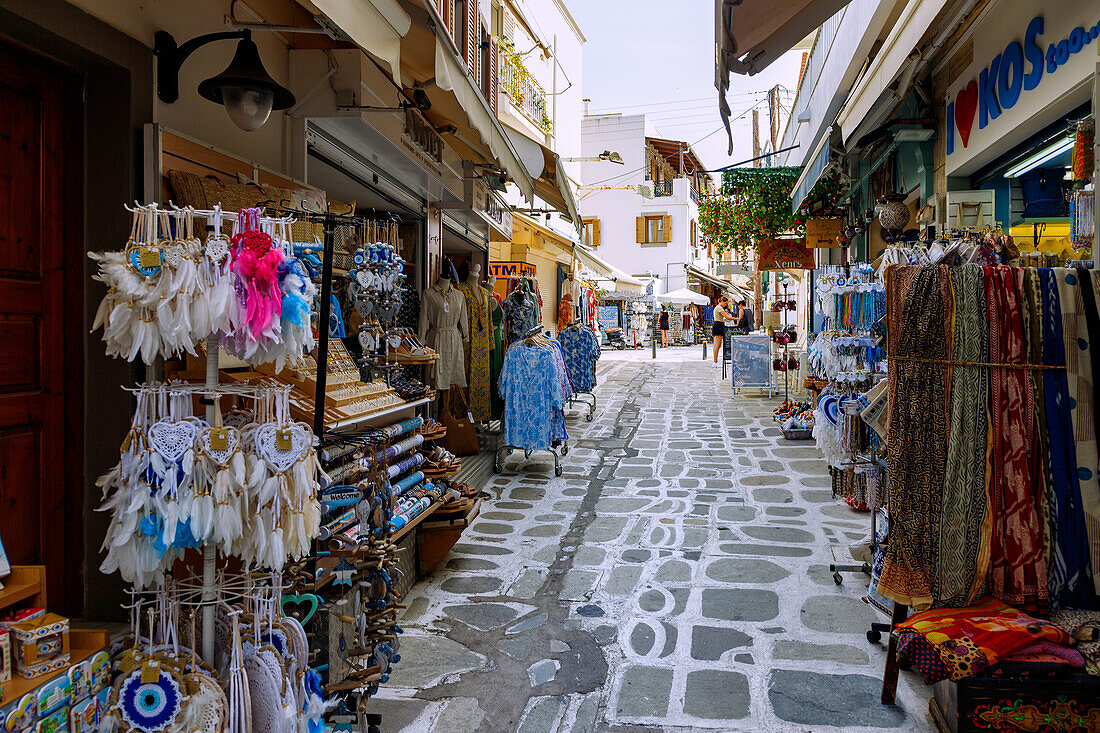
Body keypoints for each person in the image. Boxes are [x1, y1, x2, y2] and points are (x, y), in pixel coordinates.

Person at [712, 295, 732, 367]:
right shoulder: (719, 308)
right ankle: (715, 361)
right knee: (717, 345)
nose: (726, 305)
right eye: (726, 303)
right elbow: (727, 317)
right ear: (722, 302)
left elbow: (721, 318)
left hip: (719, 324)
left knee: (718, 345)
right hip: (718, 326)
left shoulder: (718, 308)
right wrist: (737, 319)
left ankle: (716, 361)